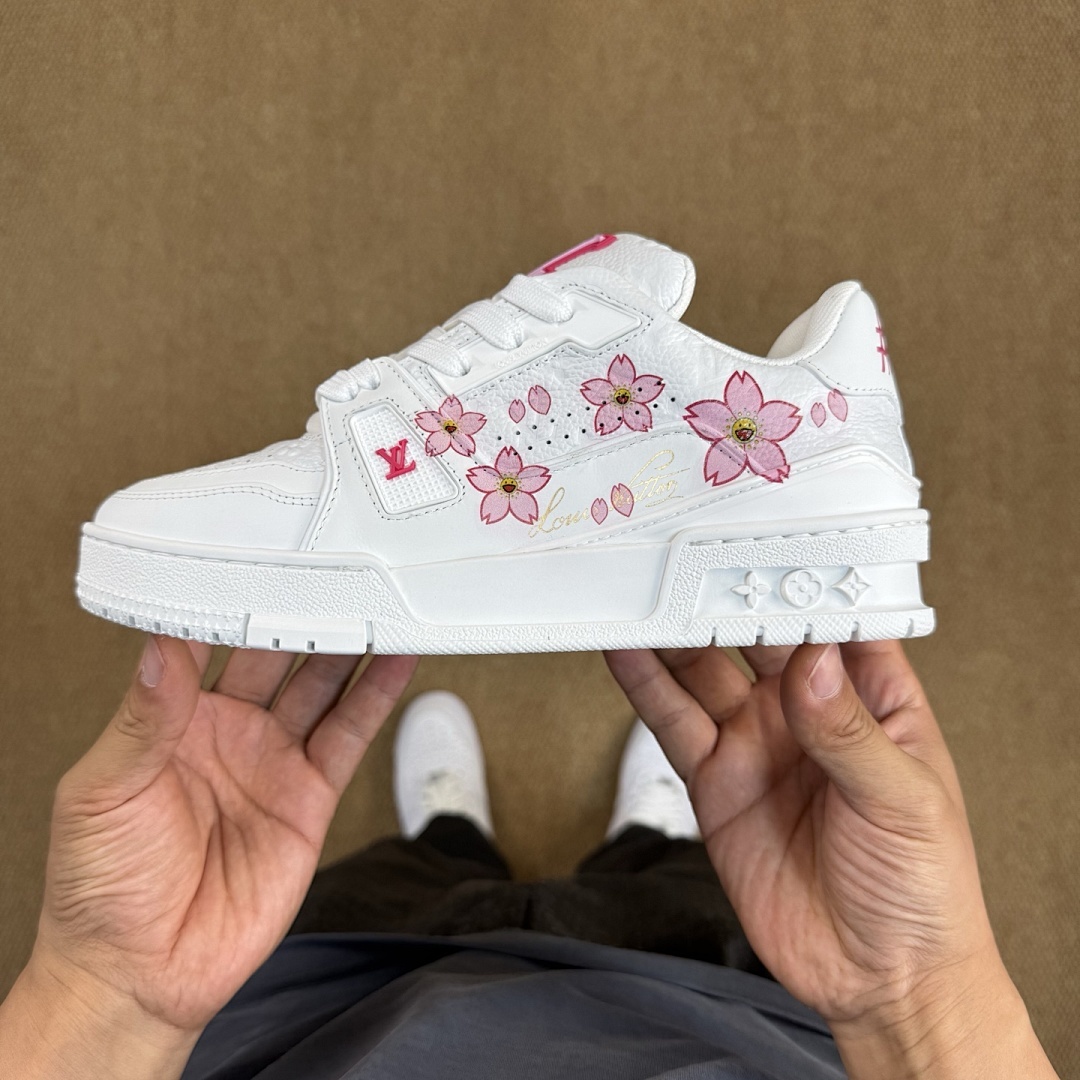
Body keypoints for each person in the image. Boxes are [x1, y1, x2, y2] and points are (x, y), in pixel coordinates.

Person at [0, 636, 1060, 1079]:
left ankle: (449, 835)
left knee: (404, 877)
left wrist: (110, 998)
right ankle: (650, 835)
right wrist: (911, 996)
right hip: (721, 998)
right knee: (677, 880)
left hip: (323, 998)